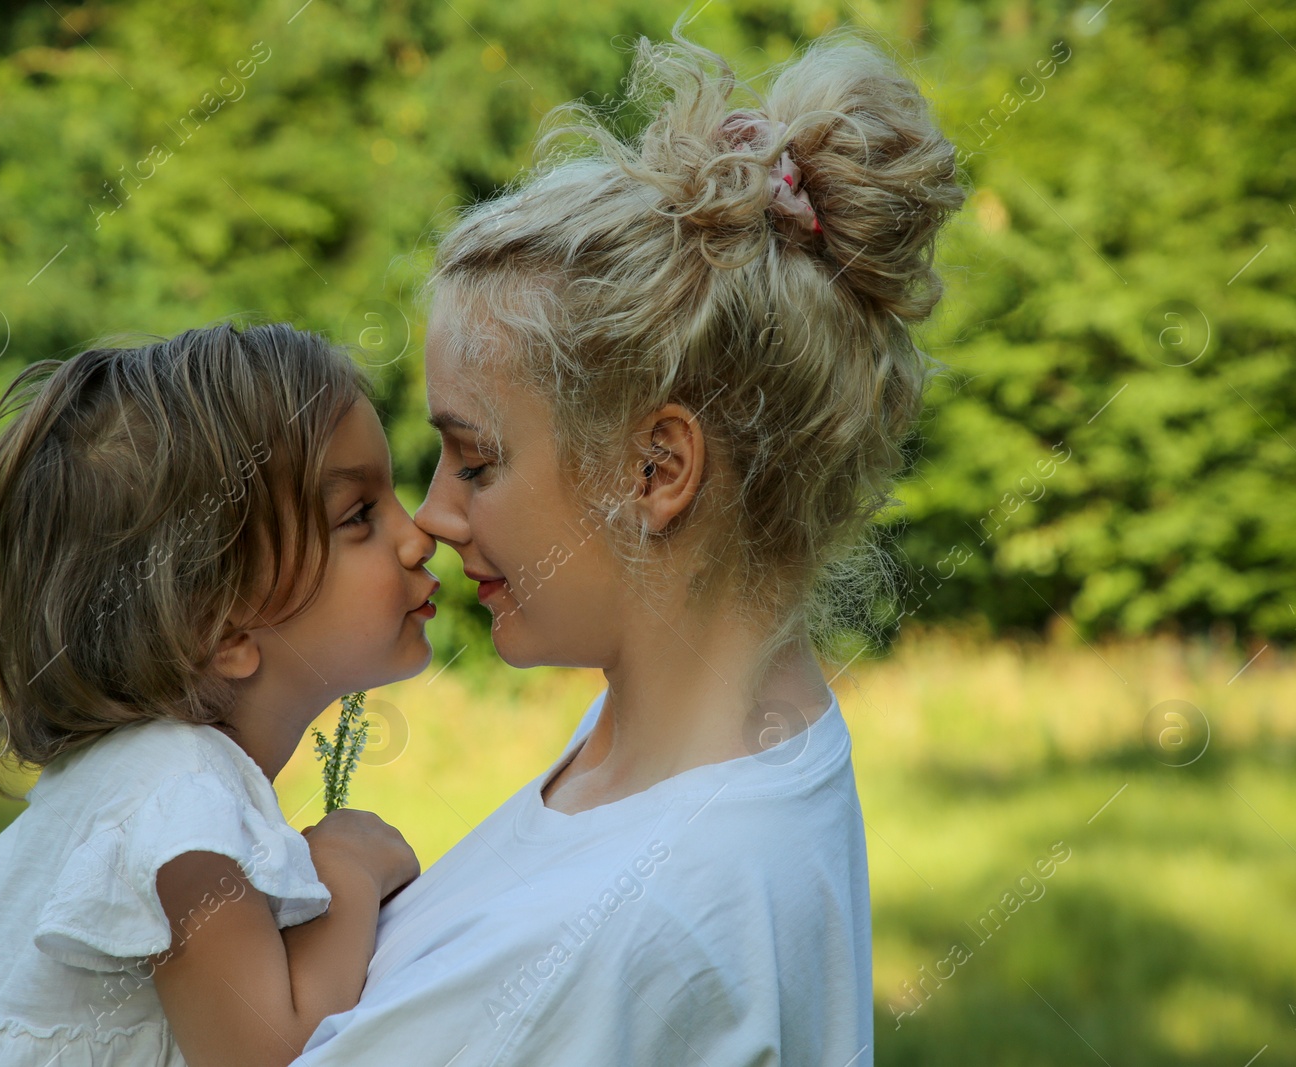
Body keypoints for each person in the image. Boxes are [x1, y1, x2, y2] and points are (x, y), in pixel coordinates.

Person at [291, 25, 965, 1067]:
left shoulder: (619, 935)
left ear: (656, 470)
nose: (431, 515)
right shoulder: (719, 736)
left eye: (475, 461)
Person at [0, 323, 436, 1067]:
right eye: (359, 514)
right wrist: (349, 867)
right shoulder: (179, 800)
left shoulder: (132, 781)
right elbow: (267, 1053)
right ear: (219, 621)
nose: (418, 534)